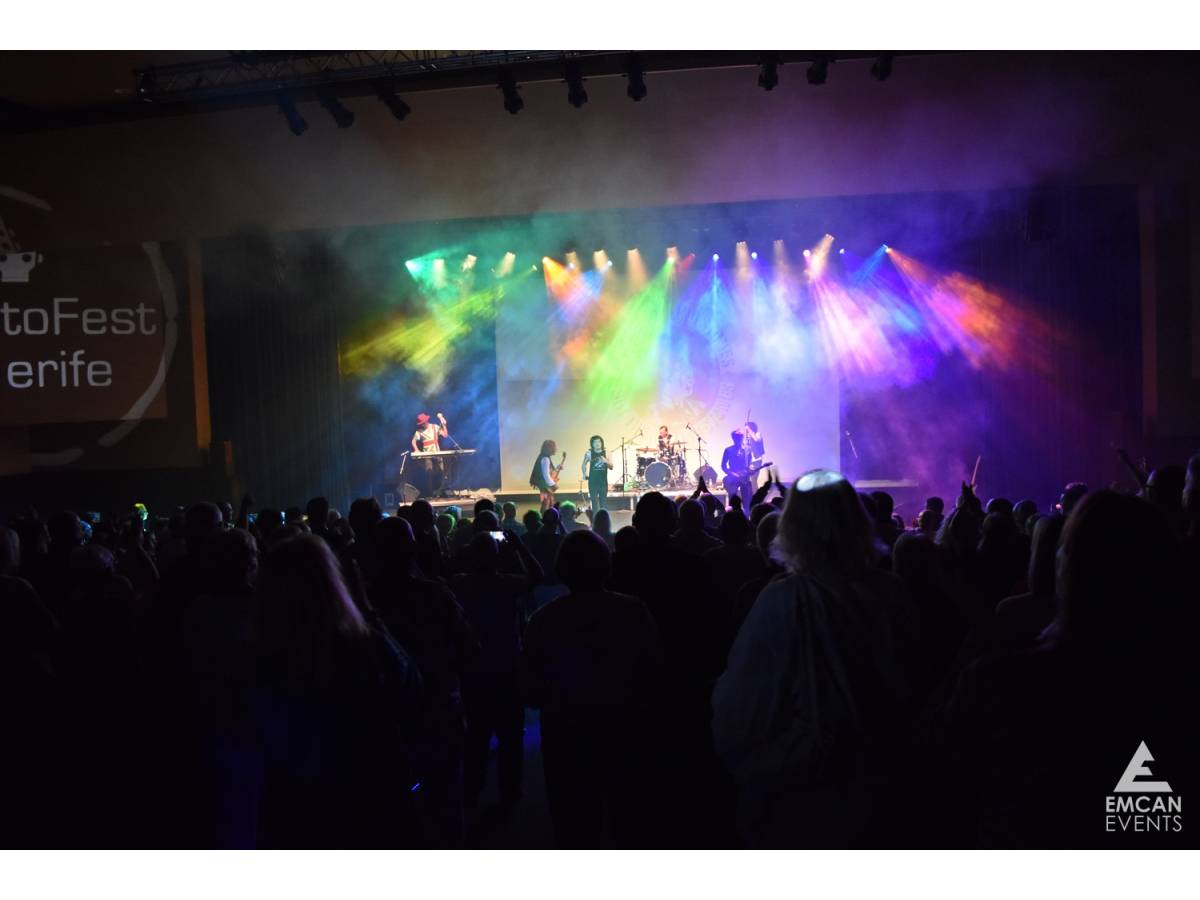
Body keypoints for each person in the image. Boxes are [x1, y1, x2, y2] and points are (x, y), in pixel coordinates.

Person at [712, 470, 916, 847]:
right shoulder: (893, 592)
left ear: (793, 527)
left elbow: (740, 711)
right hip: (887, 790)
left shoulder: (782, 600)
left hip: (805, 800)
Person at [252, 535, 423, 848]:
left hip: (293, 810)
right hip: (367, 799)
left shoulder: (255, 657)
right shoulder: (362, 647)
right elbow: (409, 684)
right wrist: (368, 611)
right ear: (333, 582)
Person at [522, 531, 664, 847]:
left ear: (562, 569)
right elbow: (654, 671)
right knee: (629, 823)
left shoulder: (543, 619)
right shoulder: (633, 611)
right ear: (606, 565)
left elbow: (530, 690)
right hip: (624, 730)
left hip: (566, 737)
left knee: (574, 827)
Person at [720, 423, 766, 511]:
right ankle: (733, 514)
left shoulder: (747, 449)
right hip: (733, 478)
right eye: (737, 437)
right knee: (733, 501)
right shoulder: (728, 450)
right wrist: (732, 473)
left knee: (747, 502)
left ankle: (746, 515)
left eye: (740, 437)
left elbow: (749, 464)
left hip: (744, 478)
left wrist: (751, 469)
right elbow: (723, 466)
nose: (739, 439)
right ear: (733, 438)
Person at [411, 412, 450, 497]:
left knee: (441, 473)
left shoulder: (434, 427)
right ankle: (430, 493)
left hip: (437, 454)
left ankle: (441, 492)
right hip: (427, 456)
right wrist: (416, 450)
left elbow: (445, 435)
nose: (422, 425)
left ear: (426, 421)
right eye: (421, 424)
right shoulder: (419, 431)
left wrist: (444, 424)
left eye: (423, 423)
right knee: (429, 475)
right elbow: (413, 441)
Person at [529, 439, 566, 513]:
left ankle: (547, 517)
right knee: (547, 502)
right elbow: (546, 475)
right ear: (550, 448)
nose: (556, 449)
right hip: (544, 485)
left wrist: (558, 467)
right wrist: (553, 484)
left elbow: (549, 471)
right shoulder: (545, 459)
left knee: (548, 502)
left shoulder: (544, 457)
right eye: (554, 447)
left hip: (543, 484)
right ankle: (545, 517)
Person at [580, 435, 614, 513]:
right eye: (595, 442)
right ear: (592, 444)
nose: (597, 444)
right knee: (594, 504)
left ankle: (603, 519)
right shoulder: (589, 453)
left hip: (603, 482)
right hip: (593, 482)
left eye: (599, 442)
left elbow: (611, 467)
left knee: (603, 504)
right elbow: (583, 465)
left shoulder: (607, 453)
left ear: (602, 443)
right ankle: (595, 519)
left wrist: (606, 461)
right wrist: (584, 474)